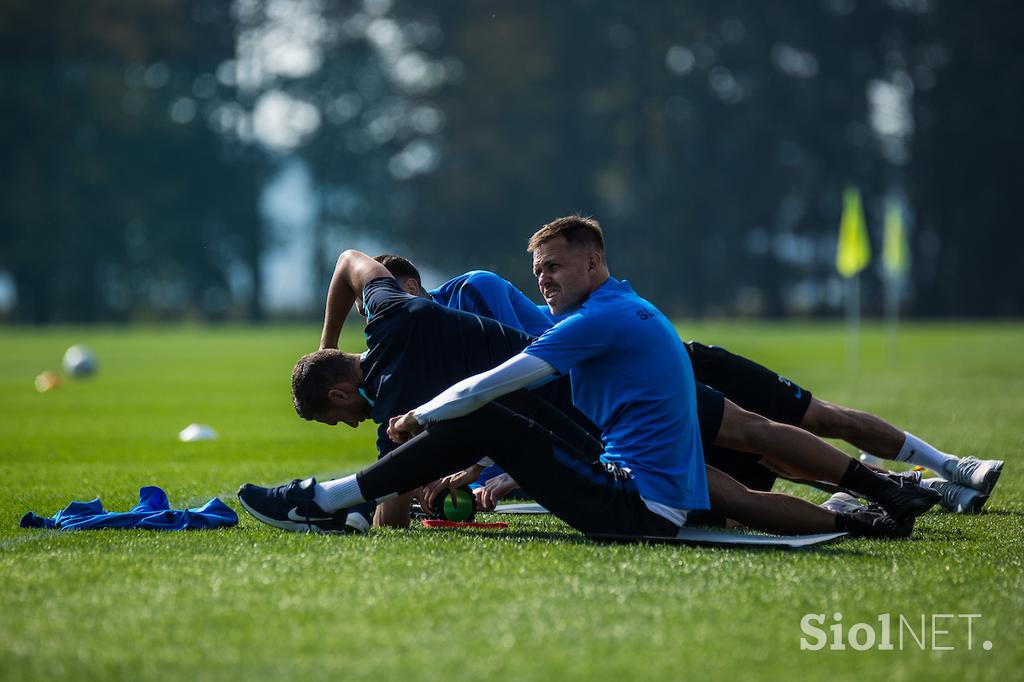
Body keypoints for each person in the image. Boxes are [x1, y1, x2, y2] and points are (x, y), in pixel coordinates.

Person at [238, 232, 912, 538]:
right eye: (540, 273)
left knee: (746, 451)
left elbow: (496, 386)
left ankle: (323, 500)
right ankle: (876, 502)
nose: (544, 282)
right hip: (607, 419)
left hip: (598, 435)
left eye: (554, 269)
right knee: (740, 460)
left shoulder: (573, 328)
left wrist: (419, 435)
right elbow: (352, 261)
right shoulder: (627, 308)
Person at [371, 254, 940, 525]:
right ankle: (875, 502)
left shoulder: (475, 291)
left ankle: (914, 480)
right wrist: (484, 468)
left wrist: (457, 440)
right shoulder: (427, 356)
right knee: (727, 487)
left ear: (414, 285)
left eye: (401, 296)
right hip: (598, 401)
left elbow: (522, 368)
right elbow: (513, 402)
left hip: (635, 374)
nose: (543, 279)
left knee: (766, 433)